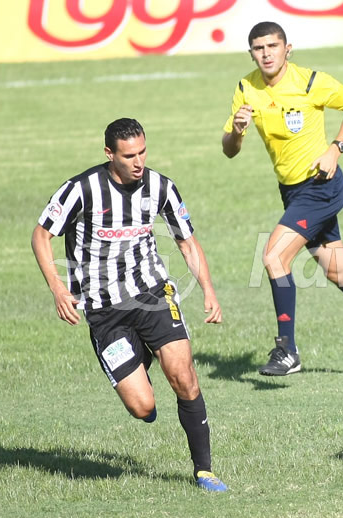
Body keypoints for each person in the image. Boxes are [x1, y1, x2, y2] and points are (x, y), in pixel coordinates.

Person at [32, 118, 227, 492]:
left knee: (184, 376)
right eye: (129, 156)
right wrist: (57, 287)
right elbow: (41, 235)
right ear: (110, 154)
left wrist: (209, 290)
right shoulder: (81, 189)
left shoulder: (161, 187)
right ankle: (141, 359)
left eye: (143, 152)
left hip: (153, 295)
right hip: (104, 311)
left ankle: (204, 471)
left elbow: (187, 242)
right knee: (142, 407)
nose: (139, 162)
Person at [221, 21, 343, 377]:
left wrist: (335, 149)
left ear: (287, 49)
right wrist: (236, 130)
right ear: (251, 53)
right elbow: (230, 150)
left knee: (274, 257)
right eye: (259, 48)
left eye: (272, 46)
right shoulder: (246, 88)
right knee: (337, 269)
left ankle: (287, 350)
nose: (266, 54)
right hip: (292, 191)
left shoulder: (311, 82)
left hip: (322, 186)